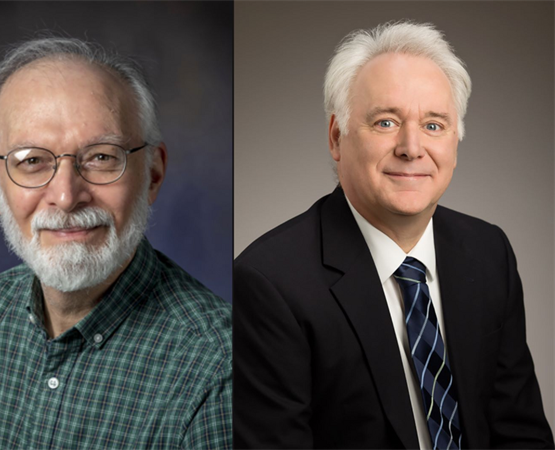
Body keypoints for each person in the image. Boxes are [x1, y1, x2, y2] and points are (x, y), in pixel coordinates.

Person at [234, 21, 554, 450]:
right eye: (386, 122)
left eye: (434, 126)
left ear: (456, 142)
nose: (411, 147)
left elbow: (521, 433)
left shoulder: (487, 252)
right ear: (337, 137)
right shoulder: (269, 283)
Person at [0, 37, 231, 449]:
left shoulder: (219, 371)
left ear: (152, 174)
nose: (66, 195)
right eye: (31, 160)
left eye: (101, 157)